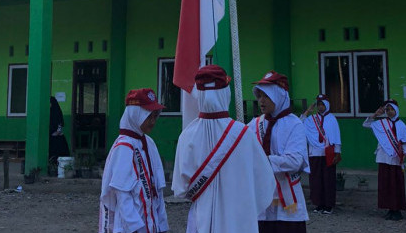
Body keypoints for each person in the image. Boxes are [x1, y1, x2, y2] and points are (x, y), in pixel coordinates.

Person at [172, 65, 276, 233]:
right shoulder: (244, 135)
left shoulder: (187, 135)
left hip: (201, 220)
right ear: (225, 93)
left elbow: (180, 189)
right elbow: (265, 184)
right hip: (238, 222)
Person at [99, 88, 169, 233]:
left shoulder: (148, 143)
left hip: (151, 222)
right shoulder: (124, 147)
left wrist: (162, 224)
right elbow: (121, 192)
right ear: (135, 114)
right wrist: (135, 226)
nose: (153, 121)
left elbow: (158, 189)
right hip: (131, 226)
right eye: (148, 116)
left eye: (155, 116)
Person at [249, 71, 309, 233]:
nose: (261, 101)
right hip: (261, 195)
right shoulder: (254, 125)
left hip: (287, 195)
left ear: (279, 96)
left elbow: (296, 160)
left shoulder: (294, 124)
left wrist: (262, 162)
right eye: (259, 95)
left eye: (266, 96)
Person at [363, 99, 406, 221]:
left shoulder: (401, 124)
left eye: (392, 109)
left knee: (396, 184)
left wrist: (404, 153)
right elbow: (366, 124)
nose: (389, 112)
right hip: (383, 157)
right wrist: (375, 115)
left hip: (396, 158)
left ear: (397, 110)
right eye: (387, 110)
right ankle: (389, 208)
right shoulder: (381, 123)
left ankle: (397, 210)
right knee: (386, 184)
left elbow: (405, 142)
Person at [300, 94, 341, 214]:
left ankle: (329, 205)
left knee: (328, 179)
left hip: (328, 153)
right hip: (314, 153)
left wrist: (337, 153)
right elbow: (300, 122)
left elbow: (336, 136)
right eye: (318, 104)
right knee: (316, 180)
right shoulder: (311, 119)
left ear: (327, 105)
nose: (320, 107)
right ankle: (318, 204)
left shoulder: (332, 119)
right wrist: (308, 110)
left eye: (322, 104)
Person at [49, 96, 71, 163]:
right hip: (51, 135)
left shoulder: (56, 111)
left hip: (57, 136)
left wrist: (58, 132)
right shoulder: (49, 112)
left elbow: (60, 123)